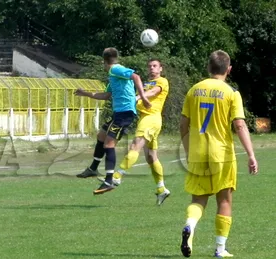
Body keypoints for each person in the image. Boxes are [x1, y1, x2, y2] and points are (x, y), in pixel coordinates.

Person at [179, 50, 258, 258]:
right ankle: (220, 249)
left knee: (198, 199)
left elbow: (183, 125)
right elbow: (239, 125)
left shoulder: (194, 90)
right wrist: (251, 154)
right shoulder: (231, 92)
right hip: (221, 154)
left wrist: (189, 150)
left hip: (198, 153)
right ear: (228, 70)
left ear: (208, 67)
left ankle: (190, 224)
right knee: (224, 200)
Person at [74, 47, 151, 195]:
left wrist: (144, 97)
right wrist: (85, 93)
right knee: (101, 136)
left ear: (104, 61)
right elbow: (107, 95)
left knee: (109, 143)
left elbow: (136, 77)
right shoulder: (113, 75)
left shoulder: (115, 69)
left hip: (125, 113)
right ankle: (93, 168)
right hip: (118, 113)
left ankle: (109, 180)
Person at [101, 59, 171, 205]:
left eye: (155, 66)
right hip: (146, 119)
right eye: (150, 66)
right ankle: (161, 189)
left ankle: (117, 176)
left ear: (161, 69)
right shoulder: (145, 83)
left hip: (151, 119)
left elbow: (153, 92)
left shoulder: (162, 81)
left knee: (135, 146)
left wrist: (138, 97)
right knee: (151, 157)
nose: (152, 68)